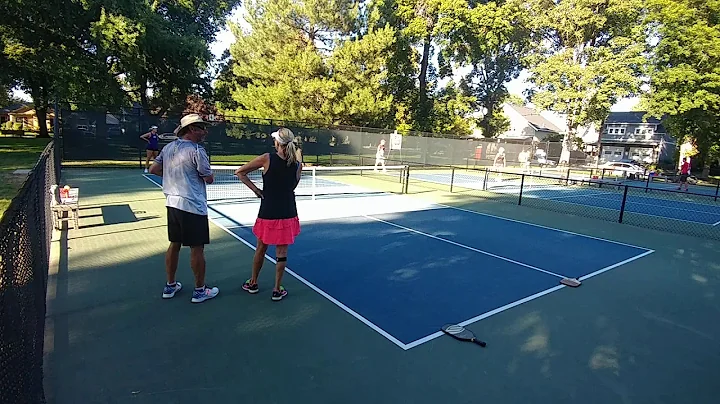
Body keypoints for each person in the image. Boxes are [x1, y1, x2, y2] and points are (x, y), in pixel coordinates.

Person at [149, 114, 219, 304]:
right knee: (197, 248)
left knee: (175, 244)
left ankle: (170, 286)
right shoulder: (197, 150)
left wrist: (173, 174)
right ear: (192, 130)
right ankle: (199, 291)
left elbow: (153, 170)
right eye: (201, 128)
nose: (205, 131)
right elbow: (209, 178)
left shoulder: (168, 147)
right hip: (192, 206)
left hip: (172, 203)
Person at [234, 128, 302, 301]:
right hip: (288, 211)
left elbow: (240, 172)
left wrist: (257, 190)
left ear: (277, 143)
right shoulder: (297, 164)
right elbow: (293, 186)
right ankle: (277, 289)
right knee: (282, 252)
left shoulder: (267, 158)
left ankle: (253, 283)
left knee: (261, 248)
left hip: (268, 211)